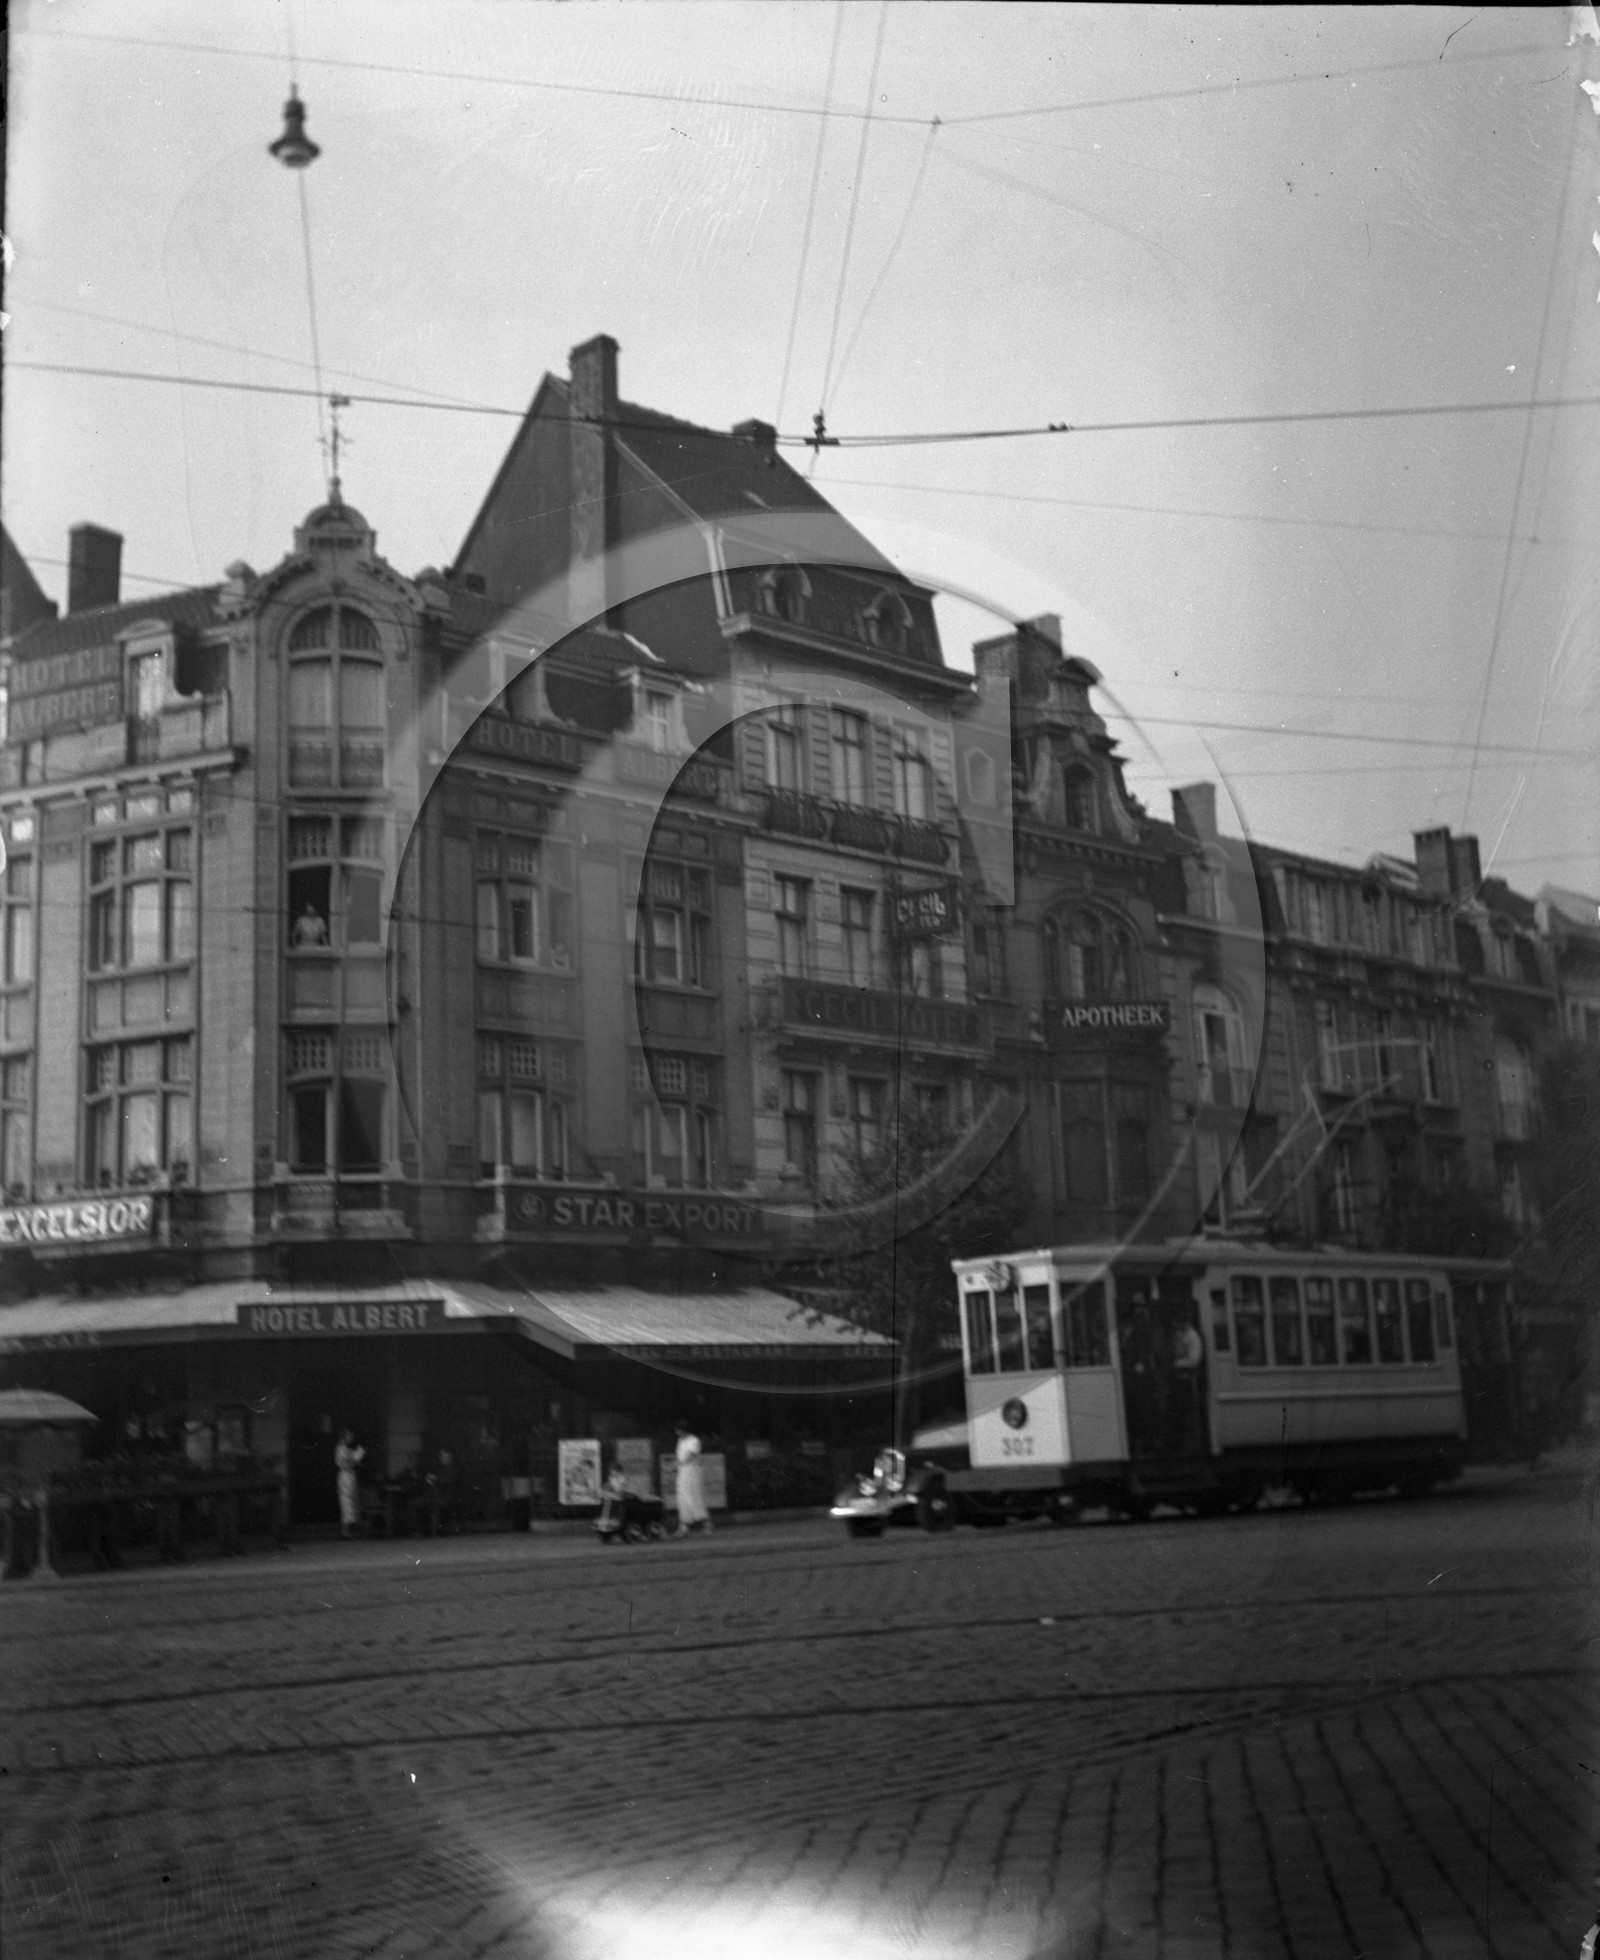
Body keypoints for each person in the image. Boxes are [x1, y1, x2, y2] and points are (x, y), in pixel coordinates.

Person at [1170, 1311, 1205, 1453]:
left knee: (1190, 1412)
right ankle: (1183, 1443)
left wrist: (1176, 1364)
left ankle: (1193, 1444)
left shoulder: (1193, 1337)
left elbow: (1194, 1360)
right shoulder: (1180, 1335)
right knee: (1180, 1412)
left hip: (1189, 1380)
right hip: (1178, 1379)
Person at [673, 1421, 711, 1536]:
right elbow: (679, 1456)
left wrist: (680, 1463)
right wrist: (676, 1465)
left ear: (683, 1430)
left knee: (694, 1497)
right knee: (682, 1498)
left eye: (678, 1430)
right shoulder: (680, 1441)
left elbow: (692, 1455)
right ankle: (684, 1526)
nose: (677, 1432)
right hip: (682, 1472)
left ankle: (707, 1524)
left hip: (692, 1472)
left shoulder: (694, 1440)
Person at [335, 1429, 366, 1539]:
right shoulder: (341, 1449)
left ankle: (349, 1531)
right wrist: (354, 1459)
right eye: (349, 1436)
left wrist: (356, 1457)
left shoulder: (346, 1449)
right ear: (343, 1437)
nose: (351, 1438)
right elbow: (345, 1464)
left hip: (350, 1476)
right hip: (345, 1476)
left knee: (351, 1503)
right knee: (346, 1503)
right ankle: (345, 1531)